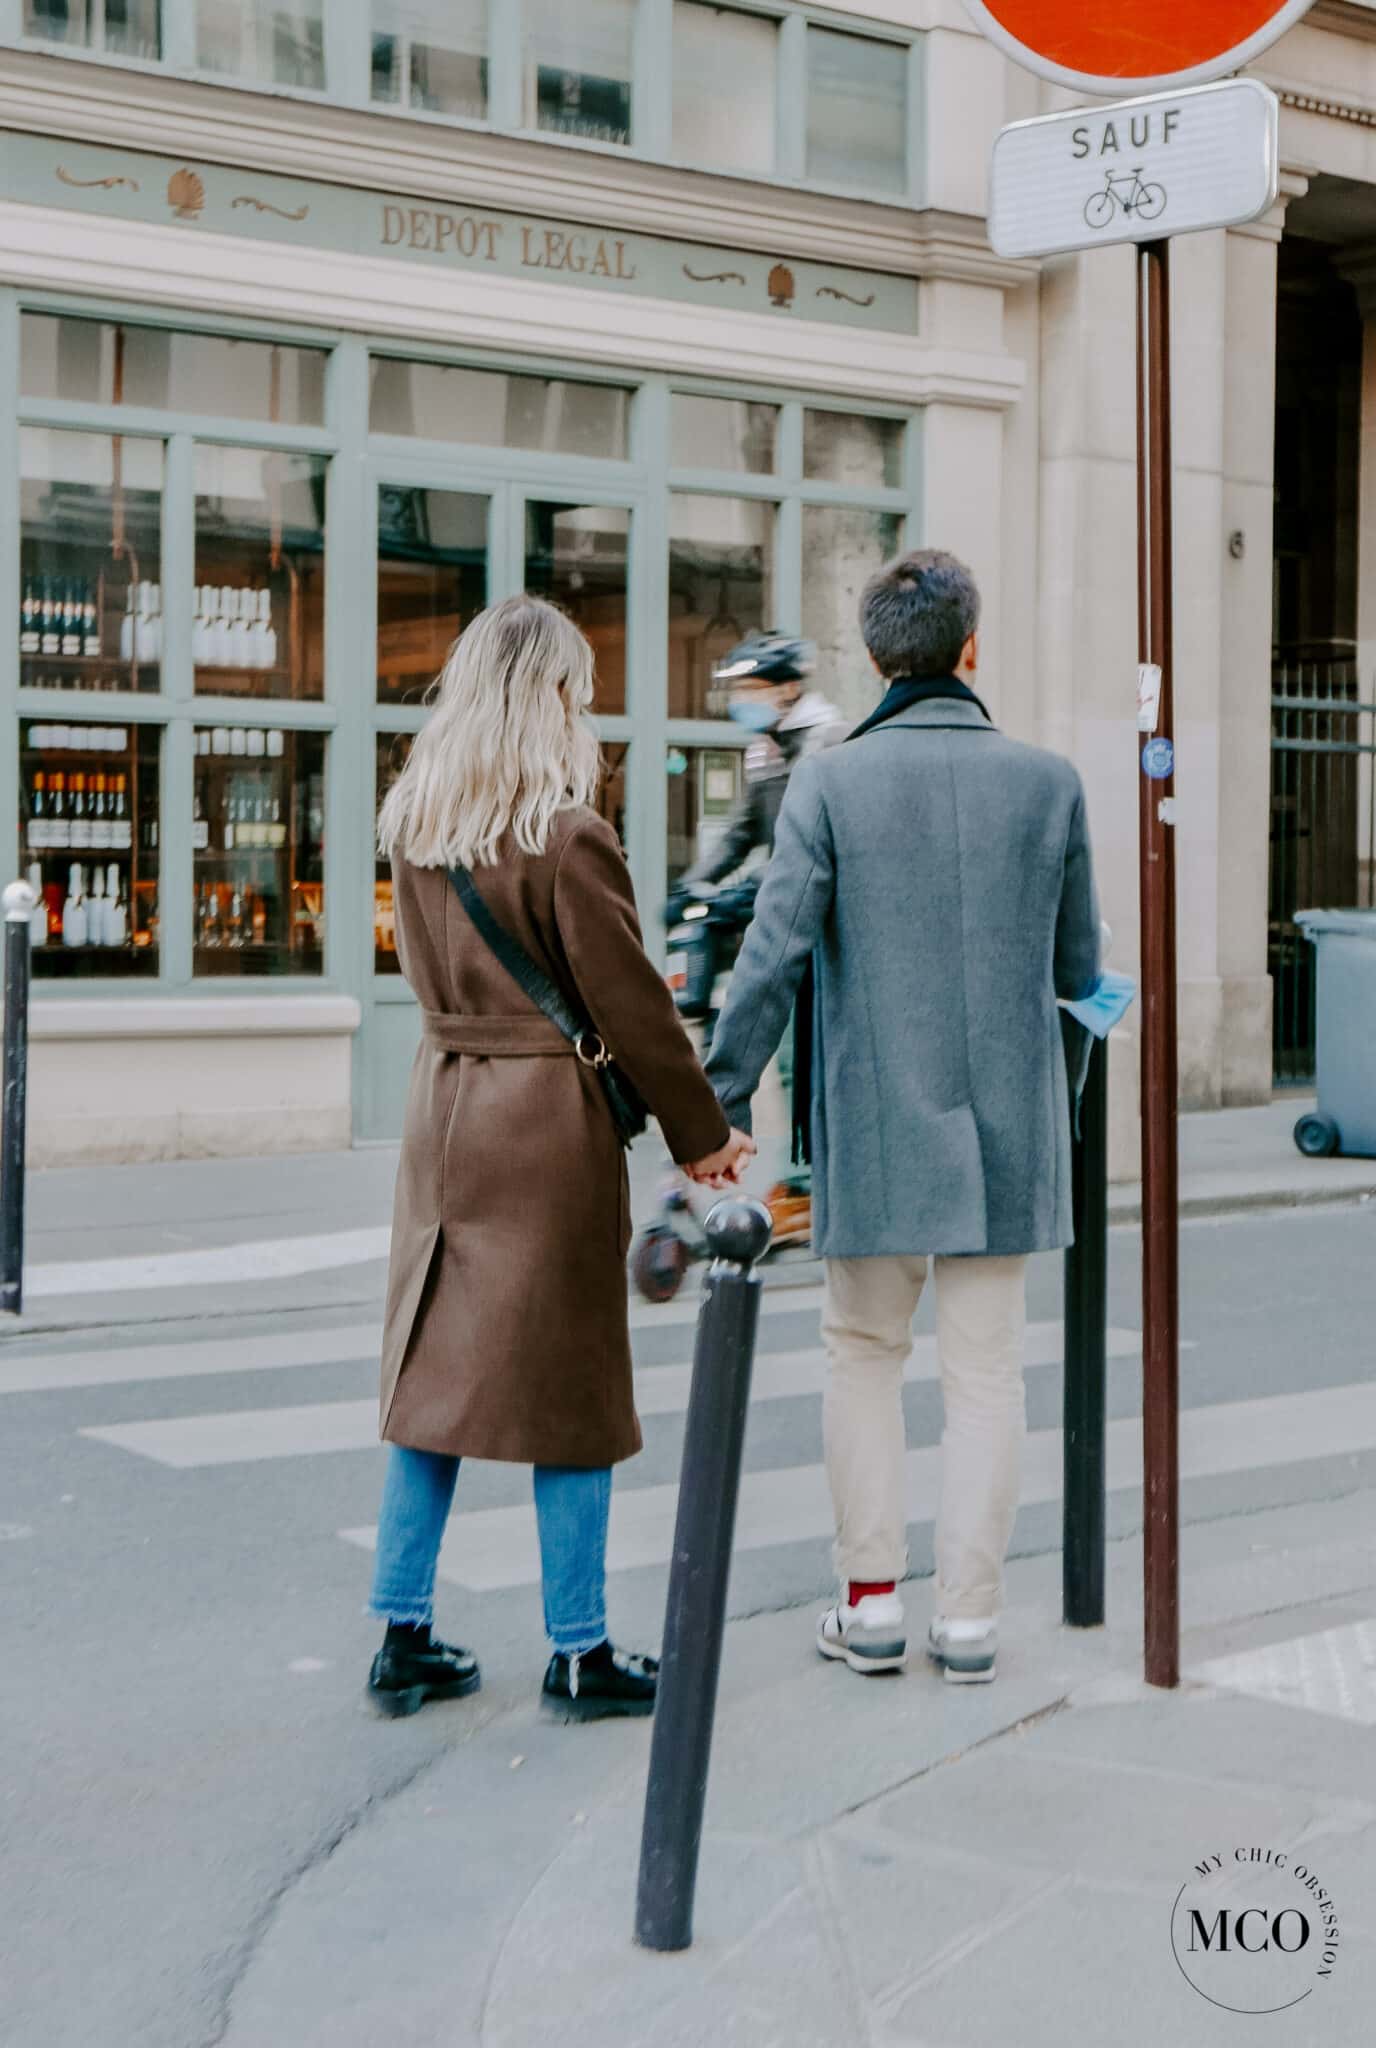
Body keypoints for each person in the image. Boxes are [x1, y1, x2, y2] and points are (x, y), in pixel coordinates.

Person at [705, 550, 1100, 1685]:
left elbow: (770, 961)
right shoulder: (1048, 783)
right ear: (968, 648)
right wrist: (1043, 1087)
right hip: (1007, 1130)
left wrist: (718, 1102)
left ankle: (870, 1601)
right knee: (985, 1376)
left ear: (876, 657)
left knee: (861, 1355)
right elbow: (1079, 970)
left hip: (875, 1125)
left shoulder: (830, 783)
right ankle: (968, 1619)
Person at [368, 593, 754, 1722]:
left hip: (443, 1109)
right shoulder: (567, 833)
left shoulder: (416, 820)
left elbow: (422, 981)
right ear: (549, 697)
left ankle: (401, 1635)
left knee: (428, 1380)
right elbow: (629, 1005)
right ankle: (578, 1651)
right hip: (543, 1124)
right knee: (574, 1386)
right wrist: (705, 1135)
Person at [670, 633, 845, 1243]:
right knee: (756, 1043)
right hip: (778, 914)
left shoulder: (823, 742)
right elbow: (744, 830)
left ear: (787, 688)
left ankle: (811, 1189)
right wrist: (692, 884)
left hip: (820, 925)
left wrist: (741, 894)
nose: (744, 699)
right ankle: (804, 1185)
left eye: (754, 688)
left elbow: (808, 846)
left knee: (801, 1062)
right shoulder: (765, 748)